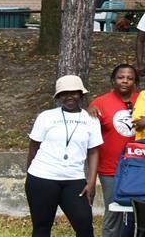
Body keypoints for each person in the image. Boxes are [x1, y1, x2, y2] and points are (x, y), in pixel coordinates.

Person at [26, 75, 102, 237]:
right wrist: (30, 174)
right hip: (42, 178)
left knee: (84, 226)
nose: (69, 97)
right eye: (64, 93)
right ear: (59, 96)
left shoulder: (91, 119)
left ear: (81, 95)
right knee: (42, 227)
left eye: (74, 93)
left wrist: (91, 181)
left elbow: (94, 151)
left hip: (74, 180)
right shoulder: (46, 116)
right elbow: (34, 146)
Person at [88, 65, 138, 237]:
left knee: (137, 212)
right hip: (110, 168)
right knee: (113, 212)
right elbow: (90, 134)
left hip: (138, 167)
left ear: (135, 82)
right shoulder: (100, 103)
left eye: (129, 78)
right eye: (120, 77)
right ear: (113, 80)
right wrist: (89, 110)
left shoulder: (144, 99)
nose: (125, 81)